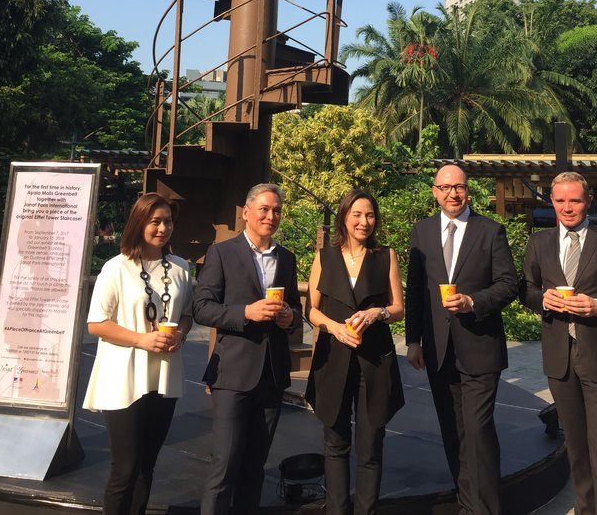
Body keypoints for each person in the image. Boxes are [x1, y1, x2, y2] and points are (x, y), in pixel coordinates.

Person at [406, 163, 517, 515]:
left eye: (460, 187)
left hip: (480, 348)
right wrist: (412, 340)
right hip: (439, 350)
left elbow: (508, 285)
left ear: (468, 191)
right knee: (453, 431)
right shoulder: (421, 232)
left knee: (478, 430)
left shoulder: (490, 231)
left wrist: (473, 302)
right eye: (445, 187)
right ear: (435, 191)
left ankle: (485, 509)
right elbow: (416, 293)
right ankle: (468, 503)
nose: (453, 193)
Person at [192, 182, 302, 515]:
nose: (271, 216)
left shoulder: (286, 257)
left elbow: (296, 312)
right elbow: (202, 308)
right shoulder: (222, 253)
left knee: (255, 467)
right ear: (247, 212)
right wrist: (245, 313)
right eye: (265, 209)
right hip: (233, 374)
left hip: (271, 374)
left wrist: (288, 318)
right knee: (225, 464)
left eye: (277, 210)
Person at [83, 193, 193, 515]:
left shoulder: (181, 268)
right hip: (123, 377)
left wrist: (182, 334)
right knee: (125, 468)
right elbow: (96, 324)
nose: (162, 228)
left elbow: (186, 313)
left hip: (163, 376)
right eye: (155, 221)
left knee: (147, 467)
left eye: (168, 221)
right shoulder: (116, 268)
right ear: (139, 222)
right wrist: (140, 340)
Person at [520, 171, 597, 515]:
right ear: (551, 201)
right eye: (560, 200)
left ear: (588, 201)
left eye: (574, 200)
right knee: (576, 449)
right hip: (559, 359)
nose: (567, 207)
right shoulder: (539, 243)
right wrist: (543, 300)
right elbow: (526, 290)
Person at [305, 189, 404, 515]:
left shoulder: (385, 256)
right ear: (344, 217)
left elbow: (398, 308)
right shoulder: (324, 257)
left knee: (371, 445)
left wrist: (378, 313)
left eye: (370, 215)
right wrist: (334, 327)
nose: (364, 221)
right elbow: (312, 310)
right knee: (334, 444)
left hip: (375, 360)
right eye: (358, 215)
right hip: (333, 358)